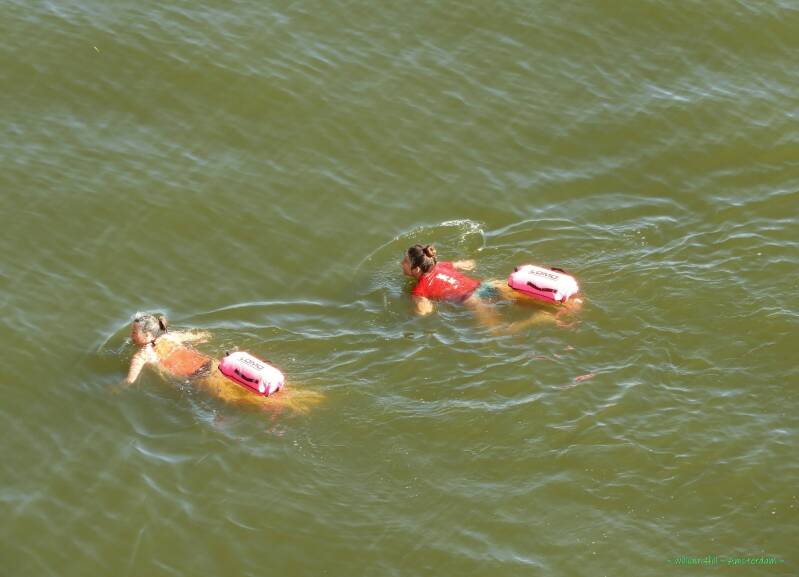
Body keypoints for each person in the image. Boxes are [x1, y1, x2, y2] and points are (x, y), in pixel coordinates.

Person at [125, 313, 321, 413]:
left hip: (200, 379)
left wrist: (115, 388)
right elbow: (204, 335)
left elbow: (130, 381)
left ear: (148, 335)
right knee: (260, 387)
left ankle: (301, 406)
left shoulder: (143, 354)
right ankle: (307, 396)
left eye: (134, 332)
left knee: (250, 398)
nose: (131, 335)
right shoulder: (173, 337)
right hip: (214, 365)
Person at [400, 244, 581, 330]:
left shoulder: (419, 290)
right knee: (519, 297)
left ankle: (543, 317)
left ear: (416, 269)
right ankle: (567, 302)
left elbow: (425, 312)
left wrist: (412, 311)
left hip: (472, 300)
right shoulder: (441, 265)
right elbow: (468, 264)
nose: (401, 264)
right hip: (485, 286)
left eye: (405, 262)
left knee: (500, 332)